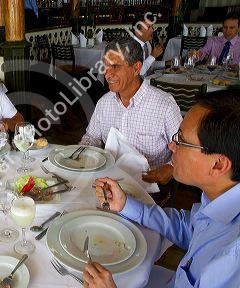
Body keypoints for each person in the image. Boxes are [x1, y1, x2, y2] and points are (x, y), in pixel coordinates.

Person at [87, 89, 240, 287]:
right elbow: (191, 229)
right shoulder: (220, 197)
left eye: (181, 140)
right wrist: (126, 204)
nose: (171, 146)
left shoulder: (232, 259)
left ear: (218, 164)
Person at [80, 37, 182, 185]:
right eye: (105, 67)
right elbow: (92, 138)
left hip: (149, 185)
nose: (107, 75)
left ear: (136, 68)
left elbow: (184, 148)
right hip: (108, 181)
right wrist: (83, 154)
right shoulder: (104, 103)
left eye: (115, 67)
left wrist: (170, 168)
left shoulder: (164, 105)